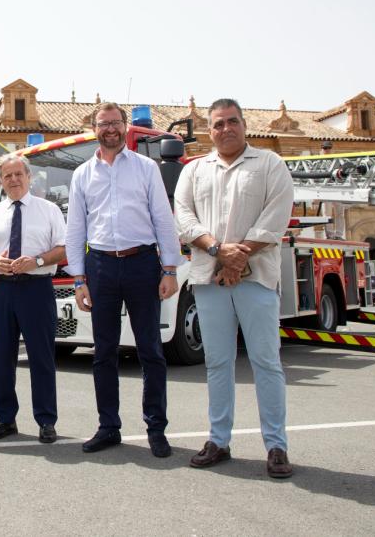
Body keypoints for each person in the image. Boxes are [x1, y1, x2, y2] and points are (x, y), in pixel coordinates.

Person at [173, 98, 295, 479]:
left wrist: (239, 255)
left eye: (232, 122)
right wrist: (217, 251)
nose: (225, 128)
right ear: (209, 130)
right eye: (218, 124)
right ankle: (218, 440)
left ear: (244, 125)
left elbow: (277, 213)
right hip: (209, 278)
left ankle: (276, 446)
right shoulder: (194, 170)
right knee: (218, 362)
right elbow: (183, 216)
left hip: (255, 277)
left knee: (265, 361)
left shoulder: (270, 164)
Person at [65, 102, 181, 456]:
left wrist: (170, 269)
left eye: (115, 123)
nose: (110, 129)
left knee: (150, 350)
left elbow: (163, 218)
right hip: (100, 266)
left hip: (142, 263)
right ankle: (108, 426)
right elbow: (75, 228)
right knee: (103, 352)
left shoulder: (146, 168)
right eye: (103, 124)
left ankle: (156, 429)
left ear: (125, 127)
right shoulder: (82, 174)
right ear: (95, 129)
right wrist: (78, 279)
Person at [0, 154, 67, 443]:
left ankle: (46, 421)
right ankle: (4, 418)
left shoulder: (49, 210)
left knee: (42, 357)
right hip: (2, 290)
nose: (13, 180)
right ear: (0, 180)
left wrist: (35, 261)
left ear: (29, 177)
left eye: (18, 174)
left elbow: (63, 248)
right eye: (7, 176)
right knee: (3, 357)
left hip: (36, 289)